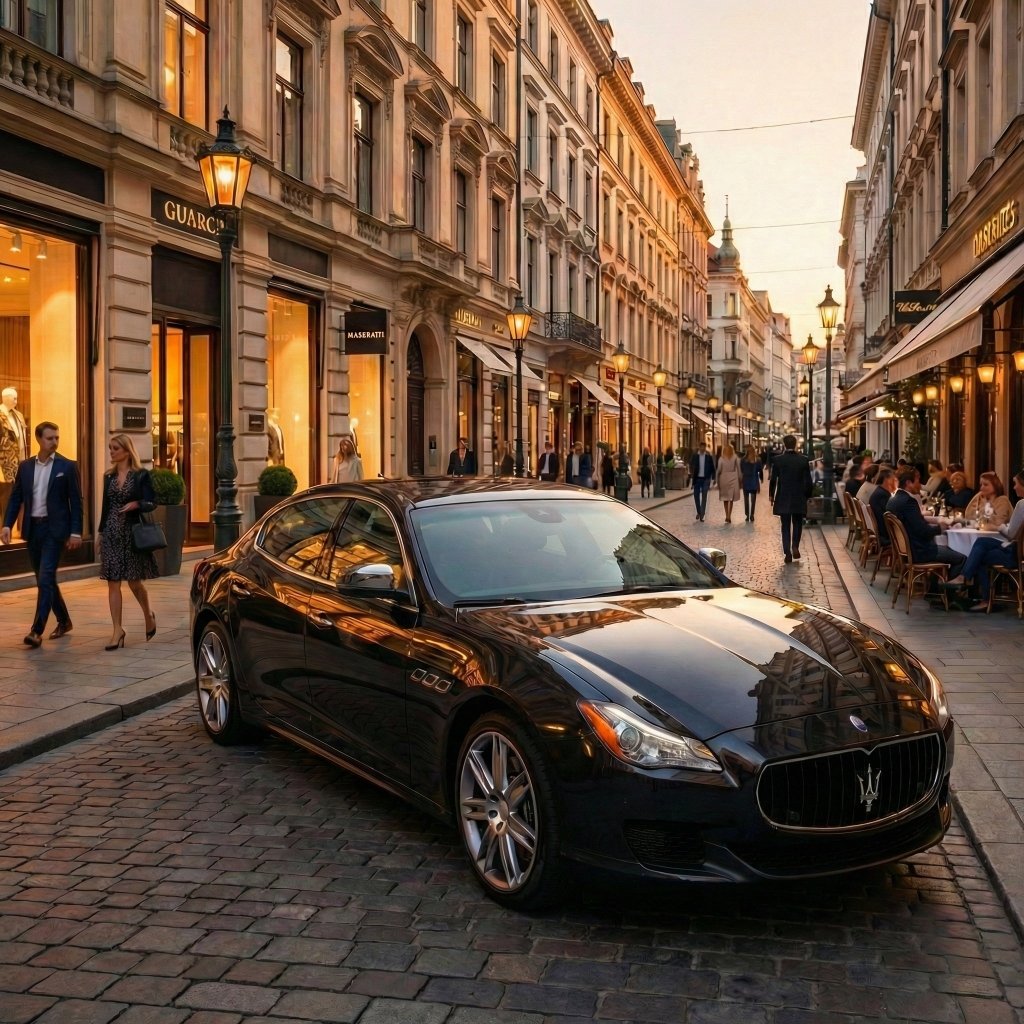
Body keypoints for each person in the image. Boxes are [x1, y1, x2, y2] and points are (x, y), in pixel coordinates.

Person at [0, 421, 83, 647]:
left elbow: (76, 502)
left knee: (45, 577)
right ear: (38, 439)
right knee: (44, 579)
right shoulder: (25, 467)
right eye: (50, 438)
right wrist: (7, 524)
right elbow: (16, 497)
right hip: (33, 529)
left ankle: (36, 631)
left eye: (57, 437)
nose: (54, 442)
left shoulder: (67, 466)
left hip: (55, 530)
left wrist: (76, 531)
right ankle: (64, 620)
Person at [98, 434, 158, 651]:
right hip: (112, 533)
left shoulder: (141, 475)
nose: (111, 452)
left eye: (115, 448)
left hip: (132, 534)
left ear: (126, 450)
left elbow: (152, 502)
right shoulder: (108, 477)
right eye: (110, 448)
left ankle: (148, 614)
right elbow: (105, 507)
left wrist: (137, 504)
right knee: (113, 582)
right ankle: (117, 630)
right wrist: (100, 533)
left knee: (134, 582)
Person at [946, 470, 1024, 611]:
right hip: (1014, 548)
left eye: (1016, 484)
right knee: (981, 543)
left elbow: (1011, 534)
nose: (1014, 487)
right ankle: (965, 578)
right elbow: (970, 517)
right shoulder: (983, 498)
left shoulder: (1021, 504)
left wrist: (1000, 526)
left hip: (1016, 553)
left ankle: (982, 596)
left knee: (979, 556)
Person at [886, 466, 965, 584]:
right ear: (909, 483)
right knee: (962, 558)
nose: (920, 484)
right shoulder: (909, 502)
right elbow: (922, 531)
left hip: (906, 550)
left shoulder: (893, 500)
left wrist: (935, 523)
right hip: (920, 551)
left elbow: (915, 522)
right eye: (918, 480)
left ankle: (933, 590)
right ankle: (946, 593)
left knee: (946, 549)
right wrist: (941, 528)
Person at [769, 434, 812, 564]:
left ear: (784, 445)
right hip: (798, 496)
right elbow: (808, 481)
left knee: (785, 525)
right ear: (795, 444)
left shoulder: (778, 460)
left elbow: (773, 479)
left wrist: (771, 495)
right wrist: (807, 495)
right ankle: (795, 546)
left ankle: (787, 552)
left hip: (783, 496)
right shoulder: (803, 460)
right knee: (798, 523)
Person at [869, 468, 898, 549]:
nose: (896, 482)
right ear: (887, 480)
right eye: (894, 479)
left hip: (881, 530)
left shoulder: (879, 491)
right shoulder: (883, 495)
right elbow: (891, 516)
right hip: (885, 534)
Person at [689, 441, 715, 521]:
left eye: (704, 447)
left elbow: (712, 468)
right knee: (696, 496)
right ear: (699, 447)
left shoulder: (708, 457)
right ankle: (699, 511)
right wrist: (691, 474)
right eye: (701, 447)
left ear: (705, 447)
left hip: (705, 479)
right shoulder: (695, 456)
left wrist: (713, 478)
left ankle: (702, 515)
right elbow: (691, 465)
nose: (703, 448)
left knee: (704, 497)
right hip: (697, 479)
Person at [716, 441, 741, 524]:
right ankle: (729, 515)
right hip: (733, 477)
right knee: (731, 498)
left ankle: (726, 515)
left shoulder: (721, 458)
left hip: (723, 478)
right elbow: (739, 469)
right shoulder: (735, 457)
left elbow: (719, 470)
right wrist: (740, 479)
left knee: (725, 498)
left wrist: (717, 480)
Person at [740, 444, 763, 522]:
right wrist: (761, 479)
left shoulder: (743, 460)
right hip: (754, 480)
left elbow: (742, 470)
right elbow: (760, 470)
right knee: (753, 500)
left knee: (746, 499)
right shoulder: (758, 460)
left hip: (746, 480)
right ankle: (752, 515)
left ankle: (747, 515)